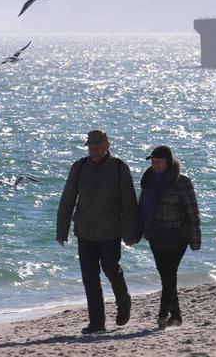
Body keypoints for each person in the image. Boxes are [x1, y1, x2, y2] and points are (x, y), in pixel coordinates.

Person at [56, 129, 140, 334]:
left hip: (111, 232)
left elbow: (130, 203)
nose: (93, 151)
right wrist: (62, 229)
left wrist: (132, 233)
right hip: (84, 232)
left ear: (107, 146)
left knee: (111, 269)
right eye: (90, 147)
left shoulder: (119, 167)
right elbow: (68, 199)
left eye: (97, 147)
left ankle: (124, 301)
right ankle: (97, 322)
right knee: (90, 277)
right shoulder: (79, 167)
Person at [138, 145, 201, 329]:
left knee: (169, 274)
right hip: (155, 236)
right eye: (153, 162)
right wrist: (136, 230)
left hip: (177, 236)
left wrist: (195, 239)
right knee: (165, 274)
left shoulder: (182, 182)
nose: (155, 165)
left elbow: (192, 212)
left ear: (168, 161)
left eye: (159, 162)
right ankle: (177, 317)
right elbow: (142, 207)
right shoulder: (148, 180)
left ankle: (162, 314)